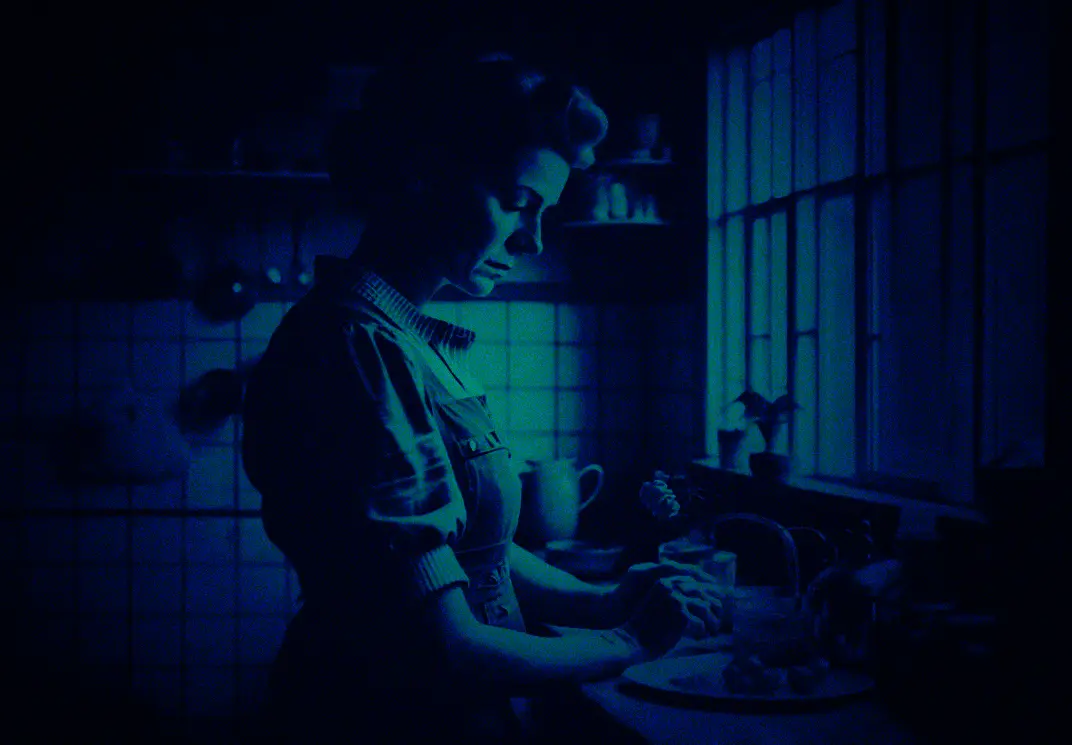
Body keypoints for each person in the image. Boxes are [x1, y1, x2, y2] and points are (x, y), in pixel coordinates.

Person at [240, 53, 725, 744]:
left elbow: (472, 550)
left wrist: (603, 599)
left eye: (544, 213)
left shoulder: (405, 340)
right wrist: (628, 639)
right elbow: (446, 649)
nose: (532, 240)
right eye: (518, 203)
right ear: (425, 174)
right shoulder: (355, 350)